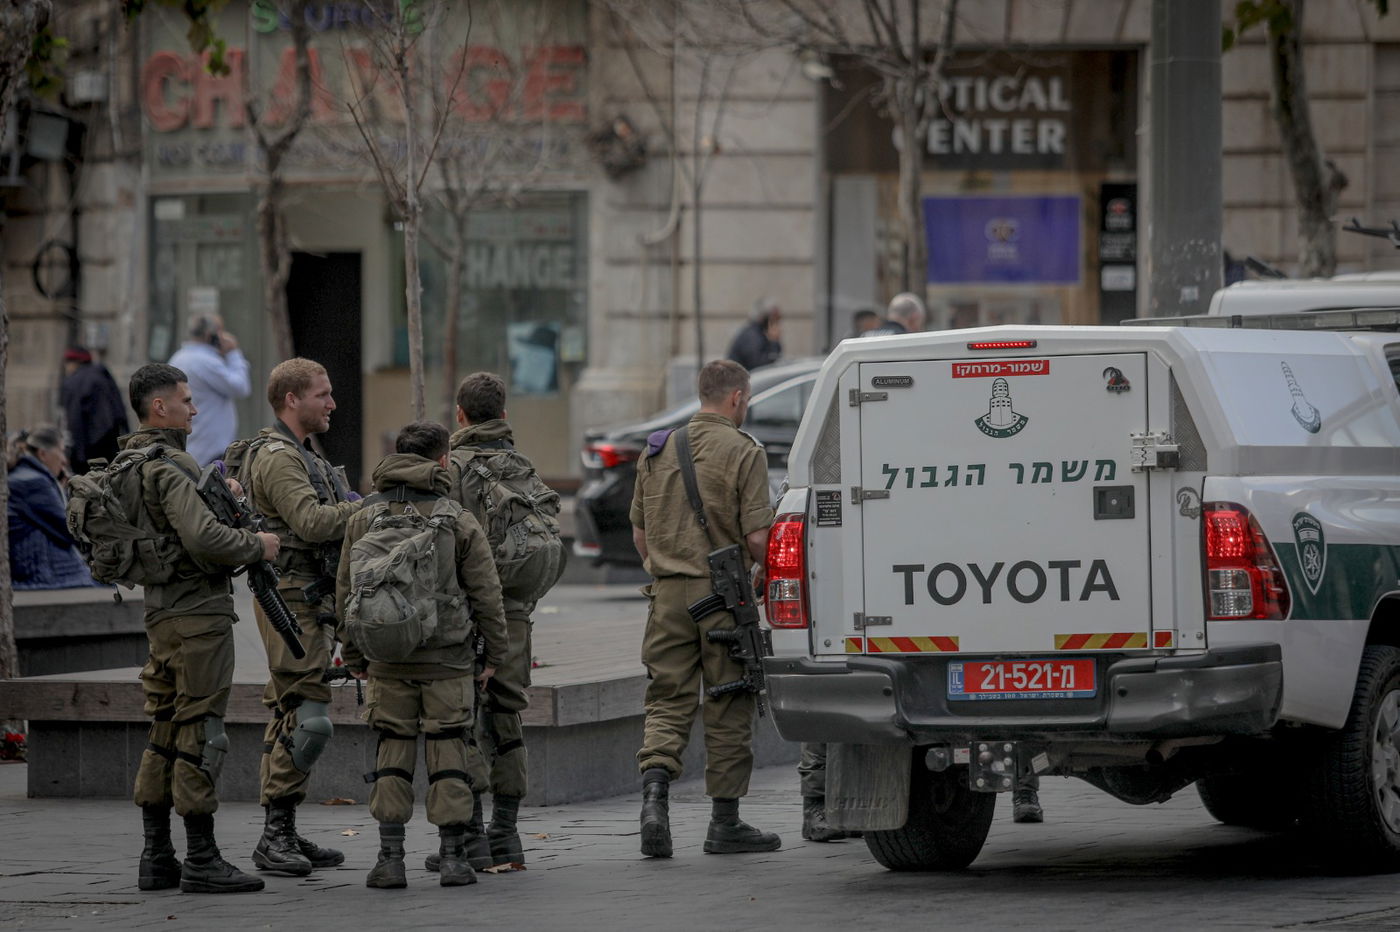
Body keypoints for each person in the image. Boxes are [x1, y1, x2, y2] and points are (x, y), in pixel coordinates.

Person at [124, 363, 280, 894]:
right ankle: (202, 857)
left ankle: (156, 855)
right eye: (186, 400)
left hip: (161, 613)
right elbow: (203, 538)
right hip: (198, 616)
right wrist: (257, 546)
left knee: (165, 726)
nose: (194, 409)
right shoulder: (172, 464)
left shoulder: (132, 460)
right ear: (159, 407)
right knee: (201, 729)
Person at [337, 420, 508, 889]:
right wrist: (494, 654)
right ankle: (452, 858)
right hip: (447, 659)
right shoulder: (457, 519)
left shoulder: (362, 518)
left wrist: (354, 655)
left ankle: (390, 860)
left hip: (386, 660)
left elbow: (347, 594)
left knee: (392, 750)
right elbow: (487, 595)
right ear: (442, 461)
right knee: (449, 749)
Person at [631, 359, 780, 858]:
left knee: (666, 699)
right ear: (737, 397)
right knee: (729, 700)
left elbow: (640, 533)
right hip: (722, 597)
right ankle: (725, 823)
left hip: (667, 597)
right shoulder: (743, 450)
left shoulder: (657, 450)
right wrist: (766, 573)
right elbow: (757, 537)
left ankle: (654, 802)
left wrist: (666, 570)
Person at [425, 371, 559, 871]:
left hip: (464, 613)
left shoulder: (451, 469)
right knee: (506, 715)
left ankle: (472, 834)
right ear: (503, 414)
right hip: (515, 614)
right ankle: (507, 833)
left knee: (463, 718)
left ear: (459, 415)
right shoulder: (521, 466)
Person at [243, 358, 362, 876]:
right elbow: (312, 523)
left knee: (291, 713)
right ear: (292, 400)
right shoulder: (278, 457)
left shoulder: (302, 453)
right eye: (322, 394)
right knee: (310, 720)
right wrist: (370, 507)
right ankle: (275, 835)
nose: (332, 403)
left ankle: (282, 829)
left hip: (308, 599)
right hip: (290, 601)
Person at [6, 426, 101, 589]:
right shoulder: (34, 482)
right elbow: (72, 530)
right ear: (43, 454)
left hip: (30, 566)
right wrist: (70, 493)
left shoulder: (25, 475)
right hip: (39, 571)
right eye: (61, 451)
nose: (65, 460)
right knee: (110, 586)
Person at [168, 315, 251, 466]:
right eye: (221, 331)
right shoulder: (207, 362)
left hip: (192, 443)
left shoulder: (178, 358)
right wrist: (233, 353)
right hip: (211, 446)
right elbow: (241, 387)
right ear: (210, 335)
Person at [60, 346, 128, 474]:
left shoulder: (74, 382)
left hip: (88, 449)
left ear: (74, 362)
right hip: (110, 443)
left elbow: (74, 419)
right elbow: (120, 412)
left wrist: (77, 455)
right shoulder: (103, 375)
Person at [725, 298, 782, 372]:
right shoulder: (752, 336)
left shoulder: (760, 333)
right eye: (775, 319)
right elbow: (759, 365)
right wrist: (774, 342)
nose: (777, 324)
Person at [863, 292, 928, 337]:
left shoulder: (865, 336)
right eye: (920, 325)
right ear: (913, 319)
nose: (919, 330)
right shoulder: (908, 340)